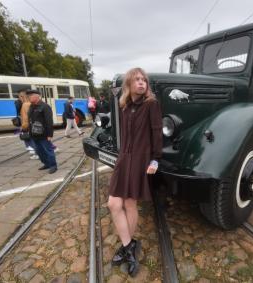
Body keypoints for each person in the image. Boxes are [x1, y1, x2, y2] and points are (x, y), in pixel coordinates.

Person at [107, 68, 163, 277]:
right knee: (114, 204)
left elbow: (156, 132)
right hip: (124, 159)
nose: (141, 83)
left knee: (130, 203)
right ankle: (129, 245)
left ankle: (127, 248)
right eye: (137, 80)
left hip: (140, 160)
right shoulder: (124, 107)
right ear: (129, 84)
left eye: (144, 80)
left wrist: (155, 159)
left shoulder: (151, 104)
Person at [27, 90, 57, 174]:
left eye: (31, 96)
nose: (29, 97)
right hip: (34, 133)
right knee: (39, 151)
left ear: (37, 96)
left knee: (48, 150)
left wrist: (50, 134)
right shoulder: (31, 106)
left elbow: (49, 121)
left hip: (44, 134)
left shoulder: (45, 107)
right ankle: (46, 164)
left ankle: (53, 166)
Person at [19, 90, 39, 160]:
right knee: (34, 139)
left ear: (23, 97)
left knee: (28, 139)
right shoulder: (31, 103)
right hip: (33, 124)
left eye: (20, 97)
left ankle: (35, 153)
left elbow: (25, 117)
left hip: (27, 125)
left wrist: (24, 126)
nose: (19, 98)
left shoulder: (25, 104)